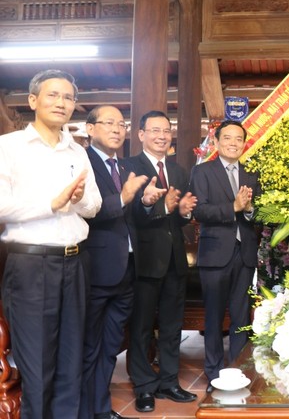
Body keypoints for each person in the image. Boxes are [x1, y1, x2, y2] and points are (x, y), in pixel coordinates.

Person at [0, 69, 102, 419]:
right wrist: (52, 203)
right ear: (33, 101)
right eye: (53, 95)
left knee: (71, 361)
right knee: (37, 364)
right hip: (31, 267)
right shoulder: (9, 147)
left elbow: (94, 205)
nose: (62, 103)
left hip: (75, 263)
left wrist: (75, 200)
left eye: (69, 97)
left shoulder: (77, 149)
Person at [81, 105, 164, 419]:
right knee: (90, 346)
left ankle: (101, 409)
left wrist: (143, 202)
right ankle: (86, 409)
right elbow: (87, 212)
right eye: (109, 123)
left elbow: (129, 217)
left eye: (121, 124)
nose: (117, 129)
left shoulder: (120, 165)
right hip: (96, 270)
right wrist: (125, 197)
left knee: (111, 346)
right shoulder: (83, 163)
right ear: (91, 129)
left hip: (127, 269)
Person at [124, 110, 198, 413]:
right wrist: (159, 207)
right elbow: (130, 216)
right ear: (140, 134)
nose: (162, 135)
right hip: (143, 259)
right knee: (140, 326)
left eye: (166, 130)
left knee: (171, 326)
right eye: (154, 130)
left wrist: (182, 213)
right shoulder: (130, 168)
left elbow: (176, 220)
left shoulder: (179, 170)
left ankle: (169, 381)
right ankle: (143, 386)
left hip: (175, 261)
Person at [188, 120, 261, 392]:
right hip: (215, 255)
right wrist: (233, 206)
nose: (233, 143)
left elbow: (259, 214)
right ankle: (215, 375)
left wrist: (250, 209)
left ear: (244, 144)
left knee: (242, 317)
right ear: (216, 143)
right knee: (214, 318)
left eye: (238, 139)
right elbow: (200, 212)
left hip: (244, 255)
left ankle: (239, 371)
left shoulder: (251, 173)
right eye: (227, 138)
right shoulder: (203, 172)